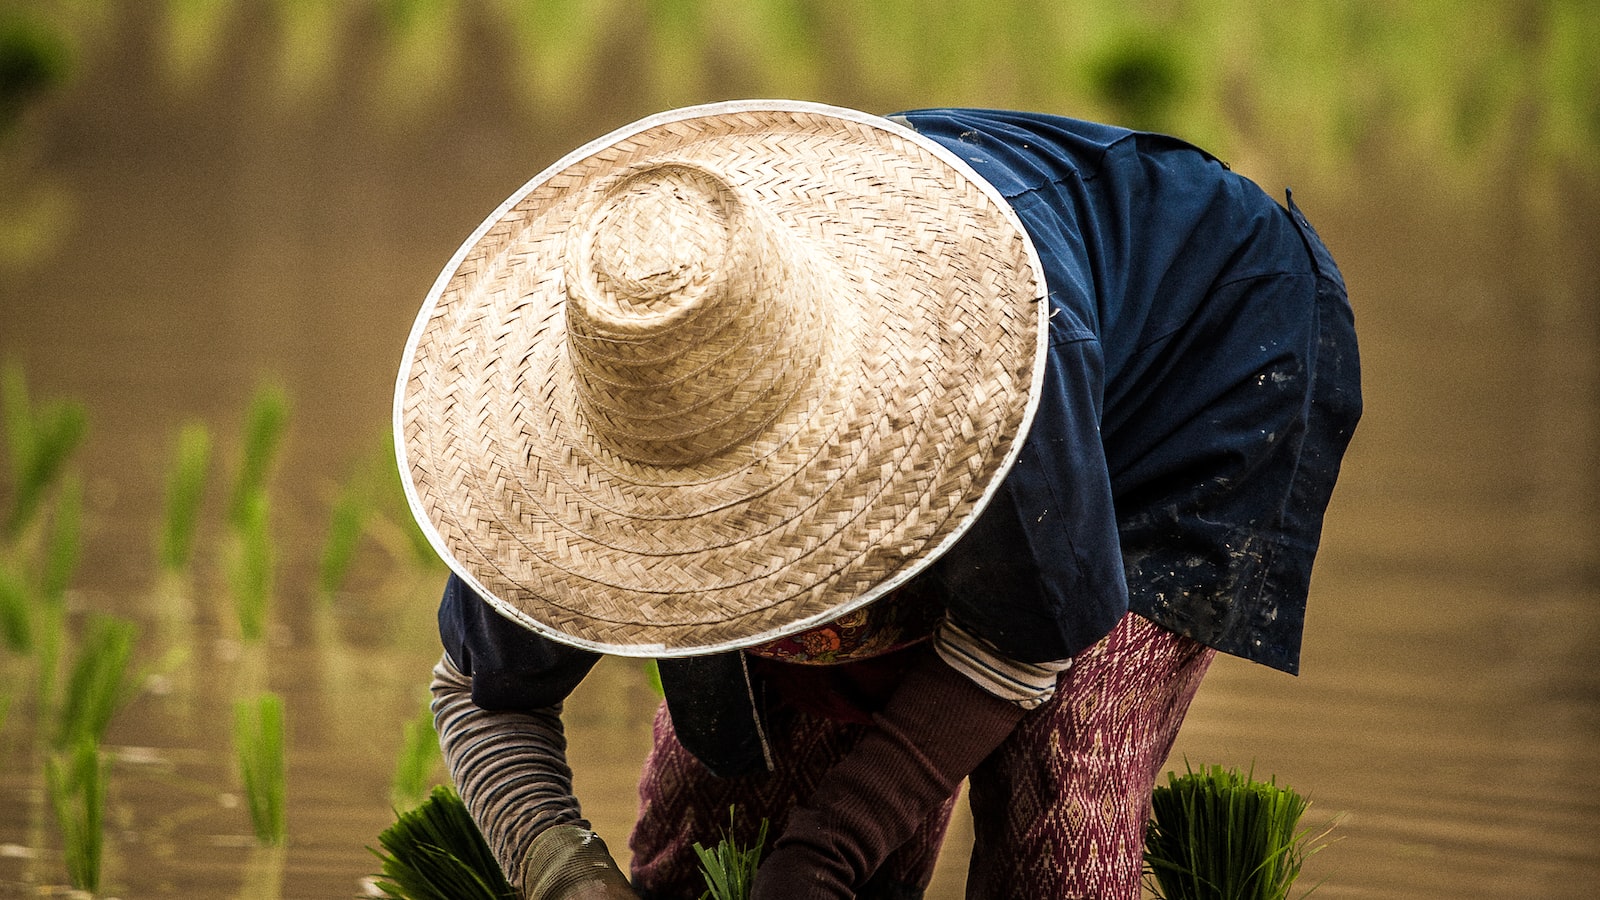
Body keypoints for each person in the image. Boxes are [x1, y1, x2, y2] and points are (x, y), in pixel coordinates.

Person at [394, 100, 1361, 900]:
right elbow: (479, 695)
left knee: (1056, 815)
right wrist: (565, 877)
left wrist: (827, 854)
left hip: (1188, 361)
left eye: (754, 500)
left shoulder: (986, 381)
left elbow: (1028, 638)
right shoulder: (560, 459)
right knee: (710, 845)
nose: (722, 535)